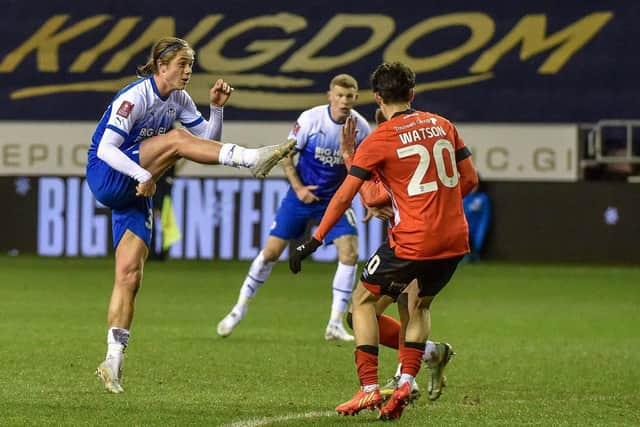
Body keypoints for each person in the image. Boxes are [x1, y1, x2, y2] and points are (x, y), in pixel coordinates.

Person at [87, 36, 296, 394]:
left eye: (191, 64)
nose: (188, 71)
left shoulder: (179, 100)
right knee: (175, 139)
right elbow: (106, 148)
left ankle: (113, 361)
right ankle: (251, 159)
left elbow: (205, 144)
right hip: (107, 175)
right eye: (183, 64)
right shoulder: (135, 97)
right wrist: (143, 175)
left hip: (136, 188)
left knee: (130, 275)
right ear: (161, 66)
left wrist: (216, 110)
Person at [290, 62, 478, 420]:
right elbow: (469, 180)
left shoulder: (380, 139)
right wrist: (434, 202)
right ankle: (408, 379)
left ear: (377, 97)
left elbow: (347, 197)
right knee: (419, 306)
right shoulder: (444, 125)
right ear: (412, 93)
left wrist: (314, 240)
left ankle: (369, 389)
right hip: (454, 238)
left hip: (412, 238)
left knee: (359, 304)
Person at [216, 74, 371, 341]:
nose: (344, 101)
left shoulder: (361, 128)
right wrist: (299, 188)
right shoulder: (311, 119)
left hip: (333, 202)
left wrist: (367, 198)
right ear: (330, 96)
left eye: (350, 96)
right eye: (340, 95)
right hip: (299, 198)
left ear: (356, 97)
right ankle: (238, 309)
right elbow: (286, 153)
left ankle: (334, 323)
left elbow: (365, 168)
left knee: (350, 253)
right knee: (270, 253)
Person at [340, 109, 454, 403]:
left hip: (411, 245)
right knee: (402, 310)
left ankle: (407, 376)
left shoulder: (390, 149)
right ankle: (424, 359)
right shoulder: (421, 143)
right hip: (434, 242)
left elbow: (374, 195)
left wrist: (349, 156)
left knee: (366, 309)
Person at [463, 177, 491, 262]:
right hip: (463, 231)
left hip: (475, 231)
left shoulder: (482, 199)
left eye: (476, 185)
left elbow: (485, 218)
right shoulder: (463, 197)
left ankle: (474, 255)